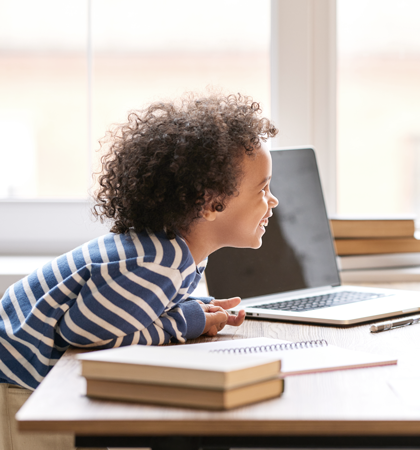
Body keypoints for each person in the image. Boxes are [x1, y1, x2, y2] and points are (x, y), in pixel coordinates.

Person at [0, 92, 279, 450]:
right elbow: (85, 337)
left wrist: (194, 310)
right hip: (21, 389)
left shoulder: (170, 252)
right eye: (263, 189)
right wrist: (186, 322)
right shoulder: (156, 263)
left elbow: (130, 313)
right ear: (212, 204)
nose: (273, 201)